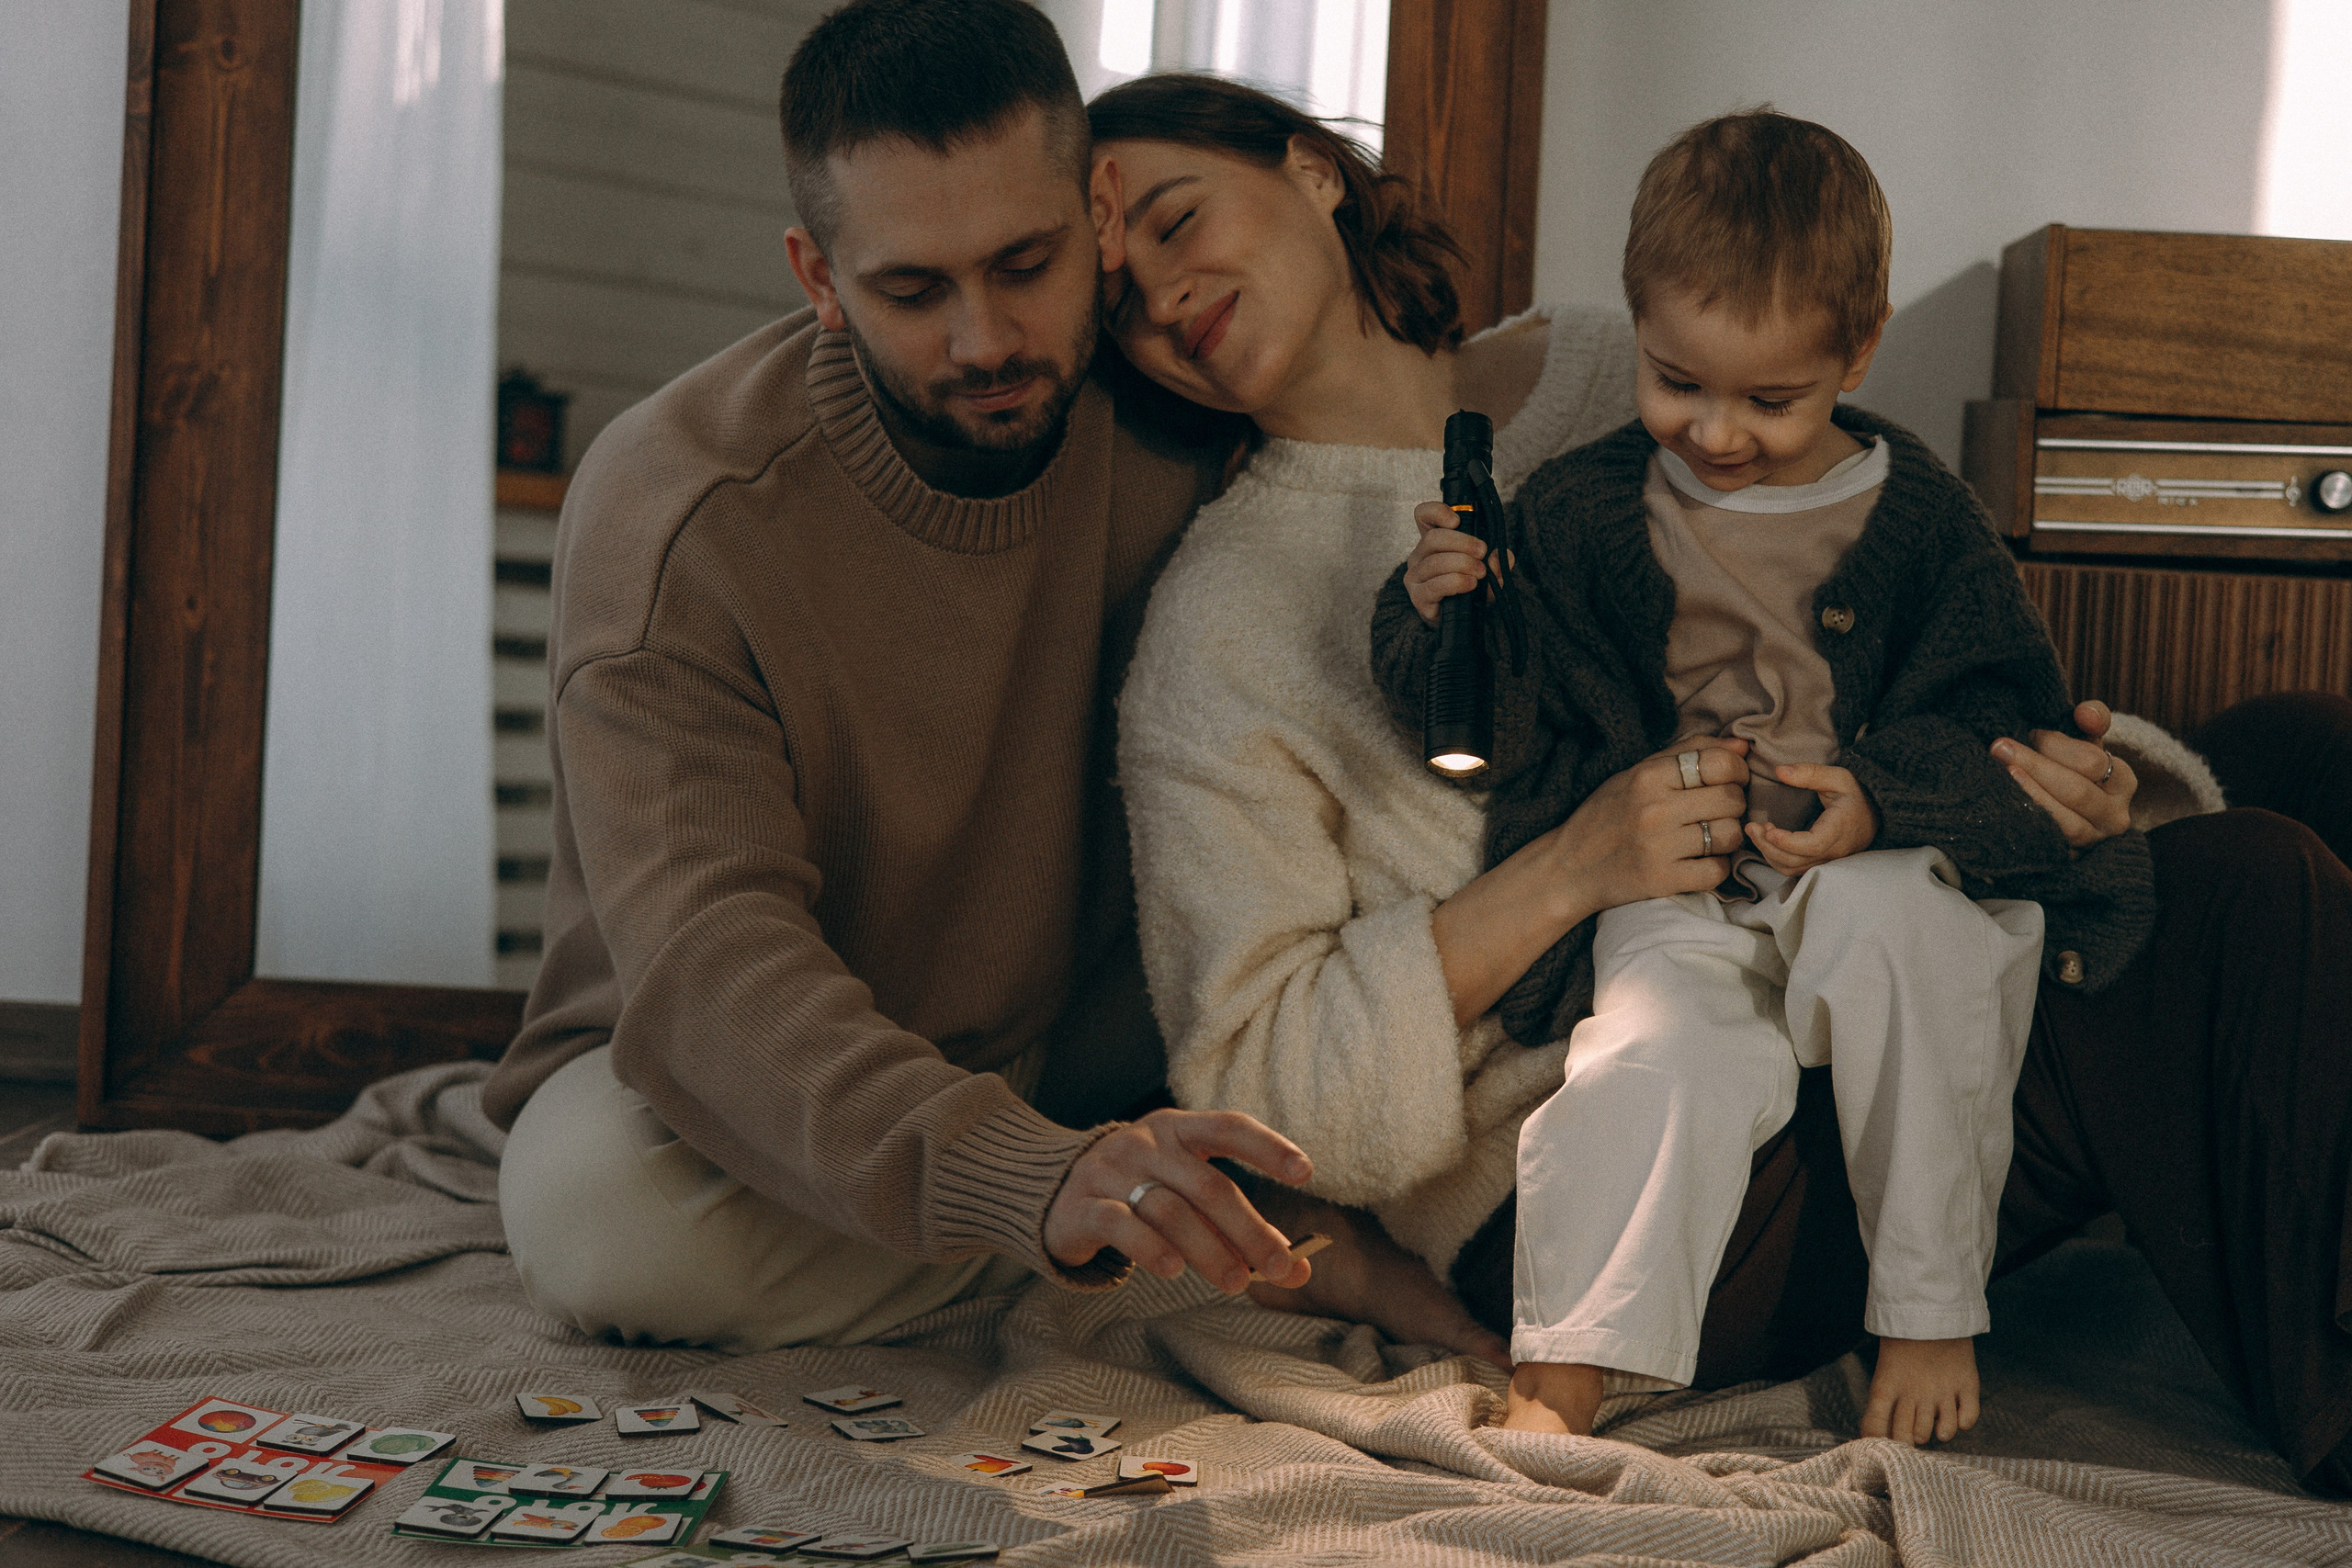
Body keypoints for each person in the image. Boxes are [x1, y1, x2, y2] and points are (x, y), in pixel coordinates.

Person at [1093, 71, 2352, 1484]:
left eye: (1171, 218)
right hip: (1641, 1133)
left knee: (2305, 750)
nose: (1157, 292)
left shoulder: (1591, 367)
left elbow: (1924, 659)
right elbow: (1262, 1084)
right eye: (1111, 289)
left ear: (1313, 168)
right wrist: (1571, 866)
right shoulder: (1218, 629)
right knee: (2250, 899)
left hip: (1843, 911)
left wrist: (2078, 792)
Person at [481, 0, 1322, 1356]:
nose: (985, 340)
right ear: (818, 277)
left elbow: (1438, 393)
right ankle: (1115, 1234)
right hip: (740, 1075)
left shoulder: (1195, 403)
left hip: (1084, 1056)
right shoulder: (676, 507)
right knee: (598, 1215)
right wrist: (1026, 1176)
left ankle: (1114, 1214)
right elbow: (712, 972)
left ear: (1100, 211)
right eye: (913, 290)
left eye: (1025, 263)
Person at [1371, 110, 2154, 1442]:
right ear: (1637, 327)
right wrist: (1439, 607)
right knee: (1643, 1063)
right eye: (1678, 382)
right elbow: (1507, 720)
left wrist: (1880, 800)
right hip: (1679, 885)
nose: (1717, 431)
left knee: (1912, 949)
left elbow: (2004, 728)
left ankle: (1927, 1306)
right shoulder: (1574, 507)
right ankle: (1570, 1364)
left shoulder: (1924, 521)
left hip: (1870, 861)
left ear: (1858, 349)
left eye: (1771, 401)